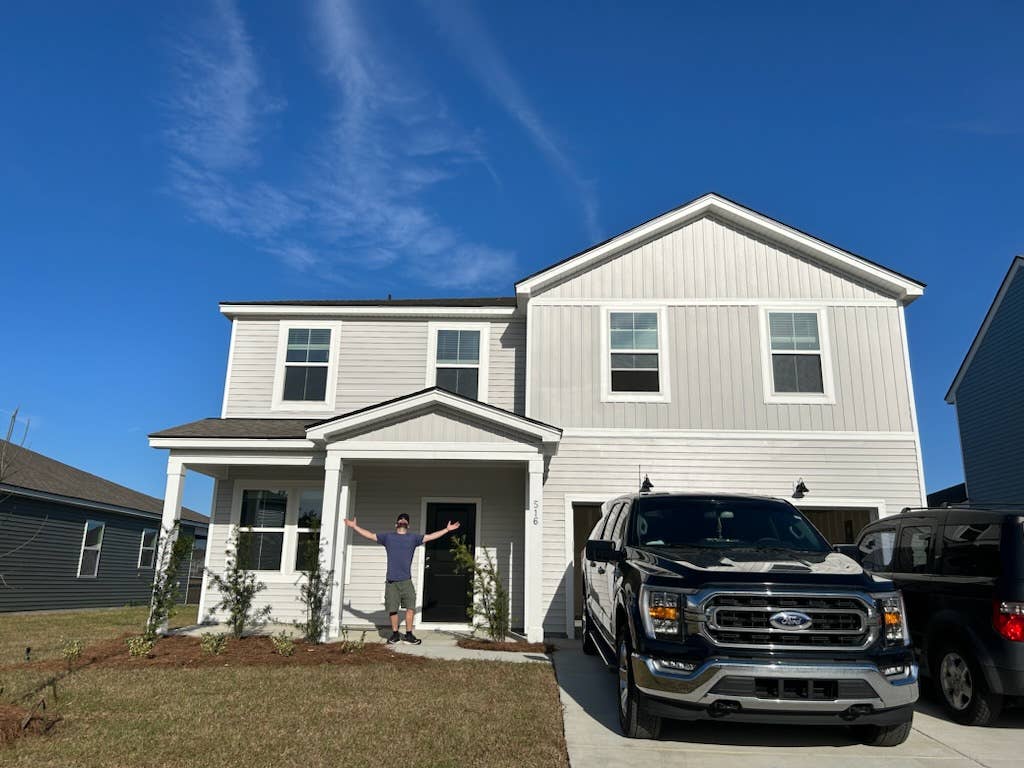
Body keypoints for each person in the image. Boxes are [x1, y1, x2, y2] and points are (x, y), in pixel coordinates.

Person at [344, 512, 460, 644]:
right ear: (396, 523)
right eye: (401, 519)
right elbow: (370, 535)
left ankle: (409, 635)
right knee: (393, 609)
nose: (403, 520)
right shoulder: (387, 537)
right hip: (392, 581)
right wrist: (354, 527)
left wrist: (446, 529)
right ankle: (395, 634)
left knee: (410, 607)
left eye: (405, 520)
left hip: (406, 580)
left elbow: (430, 537)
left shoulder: (413, 538)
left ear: (408, 525)